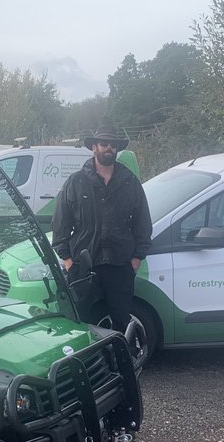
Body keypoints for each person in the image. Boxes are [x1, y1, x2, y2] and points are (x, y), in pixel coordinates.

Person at [51, 124, 152, 333]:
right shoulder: (76, 182)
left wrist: (136, 258)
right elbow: (61, 223)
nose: (109, 148)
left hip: (119, 266)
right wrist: (68, 260)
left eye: (113, 145)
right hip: (83, 266)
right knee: (80, 322)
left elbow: (142, 223)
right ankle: (85, 364)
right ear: (94, 147)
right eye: (104, 144)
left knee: (121, 321)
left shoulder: (129, 182)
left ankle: (116, 363)